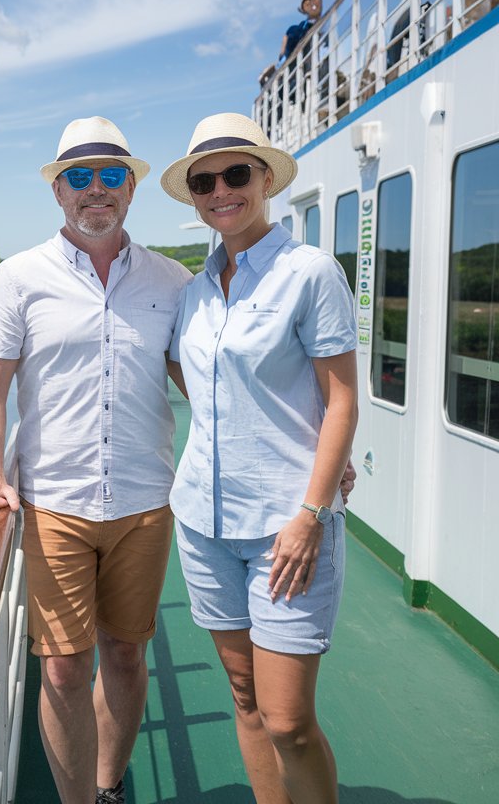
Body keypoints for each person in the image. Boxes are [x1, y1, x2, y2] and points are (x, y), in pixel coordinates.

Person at [0, 116, 193, 804]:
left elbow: (207, 388)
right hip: (55, 504)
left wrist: (307, 451)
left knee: (126, 653)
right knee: (63, 670)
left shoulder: (171, 280)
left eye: (112, 175)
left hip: (146, 504)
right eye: (80, 177)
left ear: (132, 187)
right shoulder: (18, 278)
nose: (97, 190)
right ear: (58, 191)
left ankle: (107, 785)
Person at [159, 113, 358, 803]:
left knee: (289, 720)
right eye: (204, 180)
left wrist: (313, 507)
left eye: (236, 173)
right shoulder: (192, 290)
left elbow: (342, 400)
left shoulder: (310, 273)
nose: (221, 189)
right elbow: (190, 370)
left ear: (265, 178)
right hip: (204, 524)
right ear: (193, 195)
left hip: (285, 527)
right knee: (245, 700)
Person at [259, 0, 323, 87]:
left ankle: (272, 74)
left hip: (299, 53)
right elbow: (285, 45)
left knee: (284, 65)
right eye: (308, 5)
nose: (312, 7)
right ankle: (268, 75)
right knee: (282, 65)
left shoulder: (309, 25)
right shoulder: (297, 27)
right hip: (292, 51)